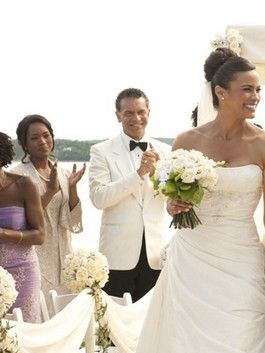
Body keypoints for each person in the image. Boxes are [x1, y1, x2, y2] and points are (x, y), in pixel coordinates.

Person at [116, 48, 265, 353]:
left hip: (240, 261)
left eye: (257, 91)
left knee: (244, 348)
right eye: (247, 89)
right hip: (192, 263)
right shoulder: (187, 139)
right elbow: (177, 201)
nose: (254, 97)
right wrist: (174, 205)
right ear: (220, 92)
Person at [88, 87, 170, 302]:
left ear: (148, 113)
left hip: (155, 255)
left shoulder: (166, 150)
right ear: (118, 116)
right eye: (128, 113)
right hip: (117, 256)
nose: (136, 118)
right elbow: (99, 198)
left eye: (141, 112)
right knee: (115, 324)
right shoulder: (101, 151)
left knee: (152, 324)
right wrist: (139, 174)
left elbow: (171, 200)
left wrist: (156, 176)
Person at [11, 114, 85, 298]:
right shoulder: (16, 176)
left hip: (65, 258)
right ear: (25, 144)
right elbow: (20, 221)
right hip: (34, 259)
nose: (42, 141)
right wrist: (50, 192)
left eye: (46, 135)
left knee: (65, 316)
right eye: (34, 138)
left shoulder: (65, 173)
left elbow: (73, 221)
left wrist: (73, 188)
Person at [0, 131, 45, 322]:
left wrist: (2, 232)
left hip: (23, 273)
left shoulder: (24, 185)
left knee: (24, 335)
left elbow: (40, 235)